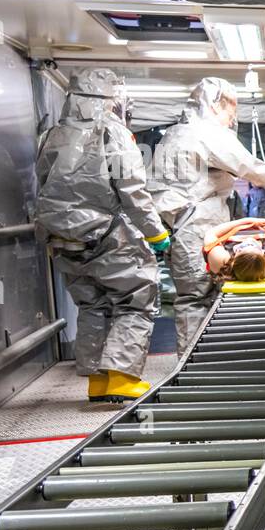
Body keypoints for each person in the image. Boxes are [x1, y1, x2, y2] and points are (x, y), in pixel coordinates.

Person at [34, 69, 172, 402]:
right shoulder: (112, 133)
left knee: (92, 304)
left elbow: (43, 180)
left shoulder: (52, 134)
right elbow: (133, 191)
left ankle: (97, 382)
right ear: (110, 99)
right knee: (136, 298)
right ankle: (121, 378)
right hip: (105, 234)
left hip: (62, 240)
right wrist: (156, 235)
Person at [148, 77, 265, 354]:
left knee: (192, 296)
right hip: (197, 223)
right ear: (215, 105)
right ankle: (197, 364)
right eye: (231, 110)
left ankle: (196, 361)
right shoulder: (205, 132)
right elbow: (245, 164)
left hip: (178, 225)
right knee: (200, 296)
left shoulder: (173, 134)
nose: (232, 118)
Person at [203, 217, 265, 282]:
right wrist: (264, 225)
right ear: (264, 253)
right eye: (252, 244)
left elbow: (211, 233)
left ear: (234, 257)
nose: (248, 239)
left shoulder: (221, 263)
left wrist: (245, 221)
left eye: (243, 246)